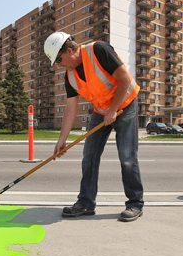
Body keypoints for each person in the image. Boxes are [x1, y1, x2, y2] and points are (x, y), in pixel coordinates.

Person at [43, 31, 144, 222]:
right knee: (89, 156)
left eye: (59, 59)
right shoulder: (70, 76)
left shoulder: (99, 50)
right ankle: (86, 203)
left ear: (71, 49)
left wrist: (113, 110)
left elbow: (125, 80)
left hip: (125, 104)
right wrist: (61, 141)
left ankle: (135, 203)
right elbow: (70, 109)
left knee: (127, 157)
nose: (58, 65)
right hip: (101, 111)